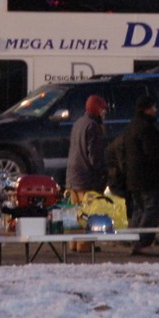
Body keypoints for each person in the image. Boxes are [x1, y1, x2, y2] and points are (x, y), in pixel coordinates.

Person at [122, 94, 159, 254]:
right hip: (148, 178)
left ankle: (135, 240)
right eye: (153, 107)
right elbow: (155, 156)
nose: (155, 110)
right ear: (147, 109)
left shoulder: (132, 126)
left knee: (139, 209)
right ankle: (143, 243)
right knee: (151, 209)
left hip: (134, 178)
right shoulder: (147, 128)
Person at [65, 94, 109, 252]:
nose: (105, 113)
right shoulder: (93, 126)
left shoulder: (78, 123)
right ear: (97, 109)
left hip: (72, 176)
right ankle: (84, 245)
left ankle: (73, 243)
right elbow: (94, 155)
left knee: (75, 213)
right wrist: (102, 172)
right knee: (89, 212)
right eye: (103, 109)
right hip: (86, 177)